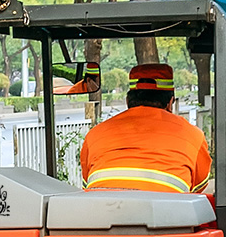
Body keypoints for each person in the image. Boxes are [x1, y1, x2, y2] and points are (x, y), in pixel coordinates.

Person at [78, 63, 211, 193]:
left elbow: (87, 180)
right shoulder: (193, 135)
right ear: (170, 102)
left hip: (102, 212)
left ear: (128, 101)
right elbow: (197, 187)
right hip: (168, 213)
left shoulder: (95, 134)